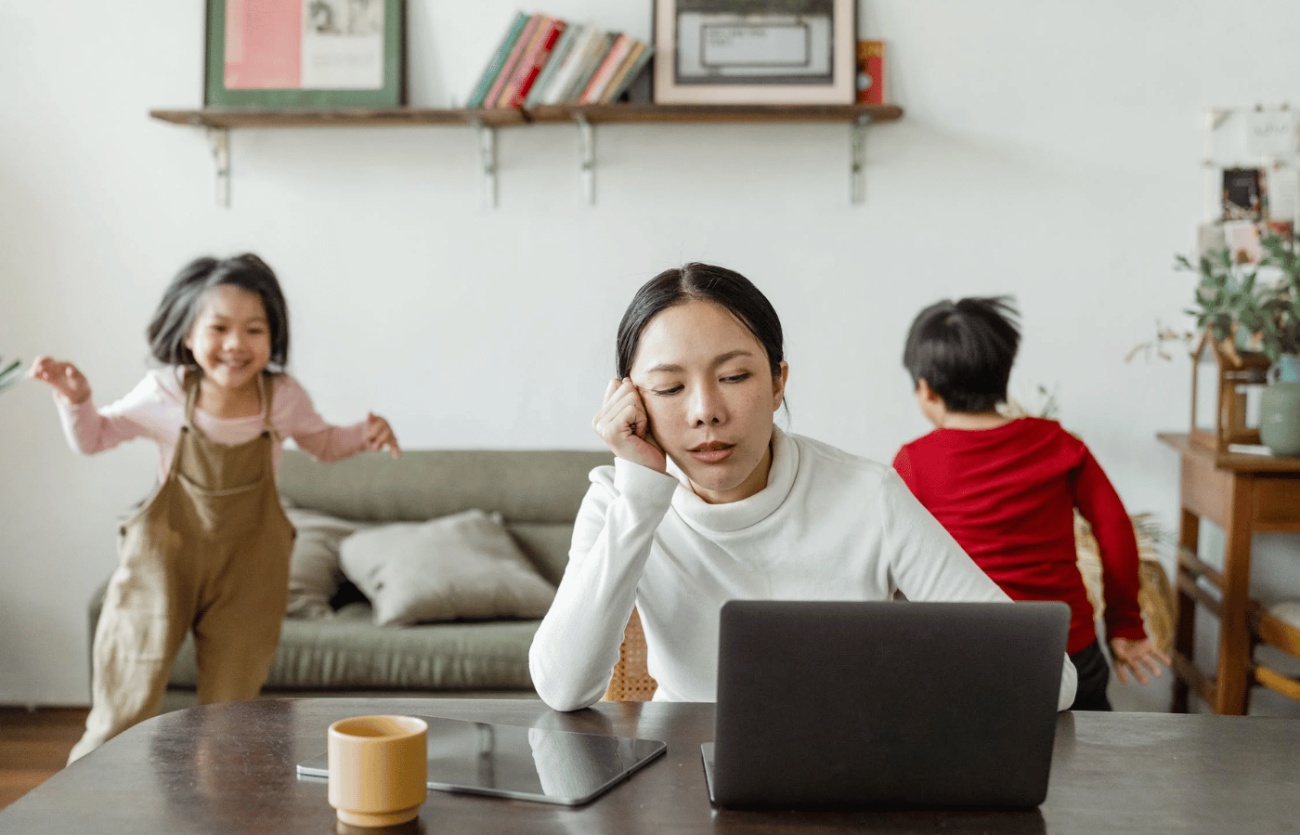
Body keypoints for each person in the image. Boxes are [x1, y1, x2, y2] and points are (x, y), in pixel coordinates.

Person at [528, 263, 1077, 713]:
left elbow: (1051, 680)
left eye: (735, 377)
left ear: (777, 383)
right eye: (670, 387)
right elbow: (562, 688)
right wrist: (641, 496)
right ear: (631, 401)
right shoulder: (619, 501)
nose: (705, 413)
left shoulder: (868, 495)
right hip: (682, 775)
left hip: (848, 769)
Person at [29, 253, 401, 762]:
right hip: (163, 563)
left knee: (230, 720)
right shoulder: (165, 392)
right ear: (187, 334)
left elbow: (323, 443)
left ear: (273, 338)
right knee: (122, 706)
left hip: (248, 570)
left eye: (254, 329)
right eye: (219, 327)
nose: (235, 344)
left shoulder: (282, 397)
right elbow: (94, 438)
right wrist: (76, 401)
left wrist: (364, 434)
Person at [891, 296, 1169, 711]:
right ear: (1003, 375)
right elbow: (1114, 530)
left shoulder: (913, 462)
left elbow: (895, 559)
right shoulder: (1059, 444)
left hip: (968, 658)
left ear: (926, 390)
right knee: (1088, 768)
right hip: (1067, 652)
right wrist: (1124, 622)